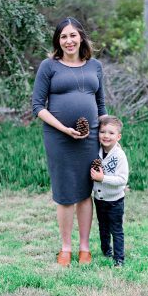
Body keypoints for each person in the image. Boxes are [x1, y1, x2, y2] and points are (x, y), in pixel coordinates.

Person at [32, 17, 107, 266]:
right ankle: (65, 248)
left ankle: (84, 248)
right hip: (58, 138)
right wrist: (64, 128)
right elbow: (37, 107)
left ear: (81, 37)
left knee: (85, 192)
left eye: (73, 35)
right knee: (65, 193)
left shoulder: (95, 66)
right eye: (63, 36)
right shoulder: (49, 66)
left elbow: (101, 105)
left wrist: (109, 136)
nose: (69, 40)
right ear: (58, 40)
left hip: (90, 137)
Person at [90, 116, 129, 267]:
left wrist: (102, 178)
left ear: (118, 136)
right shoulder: (97, 151)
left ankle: (119, 259)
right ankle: (106, 250)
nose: (106, 136)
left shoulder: (119, 156)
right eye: (102, 132)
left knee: (116, 230)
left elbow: (122, 180)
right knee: (103, 226)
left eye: (111, 133)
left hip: (115, 201)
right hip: (99, 198)